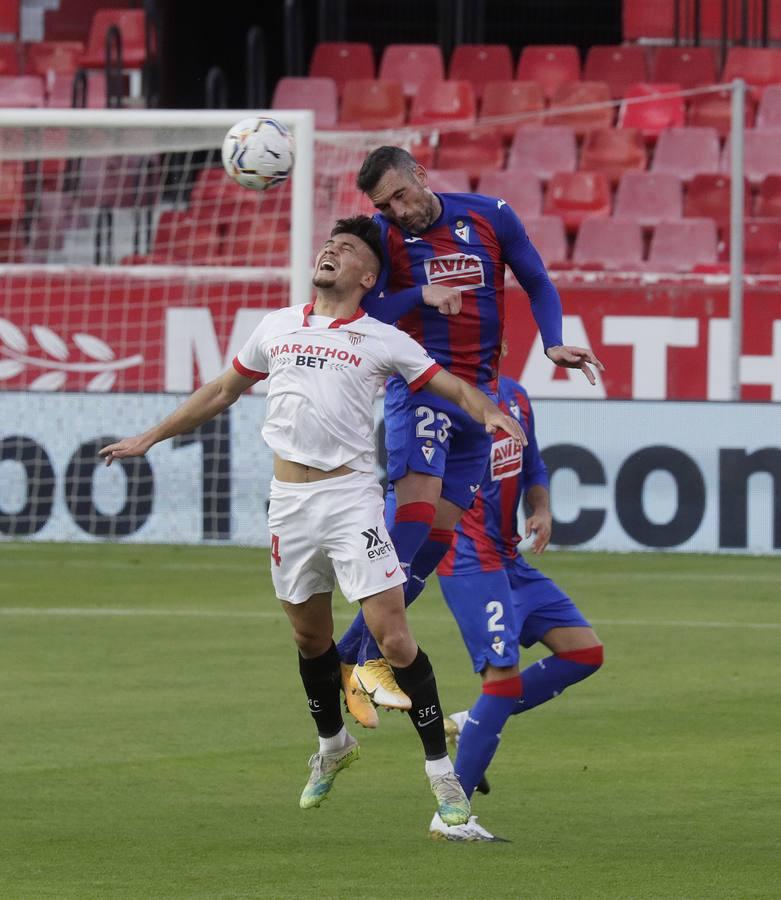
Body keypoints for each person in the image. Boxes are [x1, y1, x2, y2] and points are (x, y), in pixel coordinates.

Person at [98, 215, 526, 830]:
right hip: (288, 504)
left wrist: (489, 411)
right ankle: (333, 746)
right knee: (310, 640)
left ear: (367, 276)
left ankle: (441, 775)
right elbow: (222, 390)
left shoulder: (381, 338)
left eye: (347, 248)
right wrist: (151, 436)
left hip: (350, 501)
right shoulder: (276, 325)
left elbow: (450, 386)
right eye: (330, 244)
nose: (331, 251)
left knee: (395, 638)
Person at [336, 146, 604, 714]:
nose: (397, 210)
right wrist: (418, 295)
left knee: (434, 542)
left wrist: (553, 340)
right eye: (385, 204)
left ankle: (355, 655)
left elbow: (536, 280)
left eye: (401, 196)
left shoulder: (490, 215)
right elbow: (362, 310)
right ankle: (353, 660)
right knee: (411, 523)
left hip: (479, 402)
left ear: (421, 177)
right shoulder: (384, 238)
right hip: (423, 386)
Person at [429, 369, 604, 841]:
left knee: (584, 652)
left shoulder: (516, 396)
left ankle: (472, 721)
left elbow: (535, 466)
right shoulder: (446, 396)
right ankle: (451, 817)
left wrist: (541, 507)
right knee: (501, 685)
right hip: (469, 561)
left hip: (508, 558)